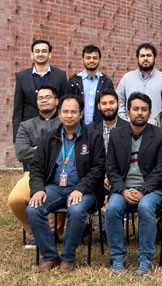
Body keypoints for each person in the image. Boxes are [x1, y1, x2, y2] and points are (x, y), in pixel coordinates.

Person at [26, 95, 106, 273]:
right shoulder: (49, 138)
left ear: (81, 114)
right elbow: (36, 167)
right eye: (65, 111)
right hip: (54, 188)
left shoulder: (93, 137)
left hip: (84, 189)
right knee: (33, 209)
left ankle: (68, 257)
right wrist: (38, 189)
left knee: (76, 210)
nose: (69, 115)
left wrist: (80, 189)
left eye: (73, 112)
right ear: (59, 113)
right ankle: (50, 256)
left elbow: (98, 169)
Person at [104, 92, 162, 275]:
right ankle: (117, 257)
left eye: (144, 109)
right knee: (112, 209)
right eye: (136, 109)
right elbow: (111, 168)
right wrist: (123, 190)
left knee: (146, 207)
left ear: (149, 113)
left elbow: (161, 168)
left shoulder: (159, 135)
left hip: (151, 189)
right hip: (123, 188)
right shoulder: (116, 135)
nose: (140, 113)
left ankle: (145, 258)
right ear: (127, 112)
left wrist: (144, 190)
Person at [9, 85, 61, 248]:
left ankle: (53, 232)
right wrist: (49, 150)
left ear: (56, 101)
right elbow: (22, 154)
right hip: (34, 173)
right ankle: (38, 232)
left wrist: (37, 149)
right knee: (15, 200)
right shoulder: (26, 125)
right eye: (40, 98)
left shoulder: (64, 122)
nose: (44, 100)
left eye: (48, 97)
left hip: (61, 172)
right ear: (36, 102)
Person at [13, 39, 67, 139]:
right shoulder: (22, 77)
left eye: (44, 51)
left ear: (49, 54)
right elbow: (18, 108)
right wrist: (17, 137)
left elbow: (64, 103)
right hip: (30, 130)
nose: (40, 54)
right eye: (37, 51)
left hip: (55, 128)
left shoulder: (60, 75)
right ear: (32, 55)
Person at [116, 43, 162, 120]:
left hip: (157, 126)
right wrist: (125, 121)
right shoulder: (127, 79)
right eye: (142, 56)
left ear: (154, 57)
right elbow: (119, 102)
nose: (145, 58)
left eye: (149, 55)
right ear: (137, 58)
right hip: (131, 126)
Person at [66, 45, 114, 125]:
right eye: (88, 58)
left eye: (94, 58)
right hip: (78, 126)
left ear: (99, 60)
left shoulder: (106, 82)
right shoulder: (73, 82)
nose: (91, 61)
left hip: (100, 127)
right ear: (82, 60)